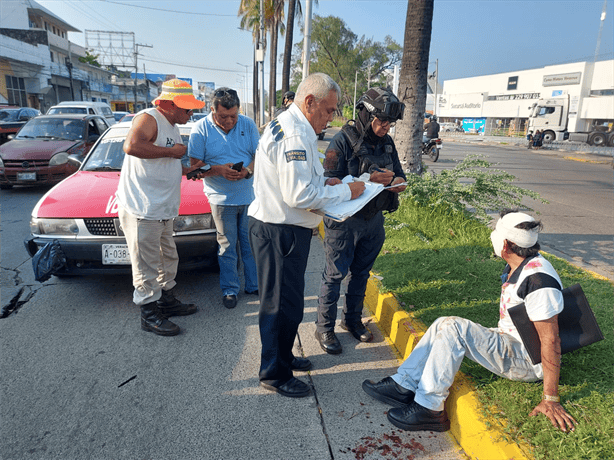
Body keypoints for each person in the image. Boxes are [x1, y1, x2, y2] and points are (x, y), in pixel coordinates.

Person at [362, 210, 577, 433]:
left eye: (496, 233)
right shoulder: (521, 263)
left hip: (527, 361)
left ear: (505, 245)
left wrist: (550, 398)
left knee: (454, 329)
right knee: (443, 323)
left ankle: (430, 409)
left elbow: (551, 340)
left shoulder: (538, 281)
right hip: (513, 342)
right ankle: (404, 385)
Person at [248, 73, 366, 398]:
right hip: (279, 231)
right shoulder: (295, 135)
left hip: (283, 228)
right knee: (280, 307)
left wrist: (325, 185)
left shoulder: (295, 126)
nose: (332, 117)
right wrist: (344, 190)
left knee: (288, 304)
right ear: (309, 102)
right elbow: (299, 195)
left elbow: (304, 182)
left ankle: (282, 357)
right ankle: (274, 373)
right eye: (329, 110)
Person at [315, 87, 407, 355]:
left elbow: (399, 175)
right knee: (334, 276)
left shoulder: (387, 143)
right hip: (344, 223)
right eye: (381, 120)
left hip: (373, 221)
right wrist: (367, 180)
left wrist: (397, 183)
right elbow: (328, 182)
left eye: (389, 122)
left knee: (361, 274)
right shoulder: (341, 142)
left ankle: (352, 320)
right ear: (366, 115)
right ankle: (324, 327)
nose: (385, 127)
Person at [116, 79, 205, 336]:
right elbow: (131, 146)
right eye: (187, 109)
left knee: (167, 257)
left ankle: (166, 300)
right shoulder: (149, 118)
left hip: (163, 207)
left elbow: (167, 160)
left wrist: (189, 169)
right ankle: (149, 312)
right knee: (146, 263)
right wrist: (172, 153)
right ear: (168, 104)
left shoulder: (172, 125)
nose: (191, 114)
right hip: (143, 208)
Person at [188, 87, 259, 309]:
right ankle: (230, 289)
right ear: (212, 110)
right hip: (220, 199)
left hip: (249, 197)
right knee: (227, 245)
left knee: (250, 244)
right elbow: (194, 168)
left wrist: (247, 170)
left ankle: (254, 285)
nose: (229, 121)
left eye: (233, 116)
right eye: (223, 116)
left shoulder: (247, 124)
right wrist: (219, 170)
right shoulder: (200, 129)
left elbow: (261, 157)